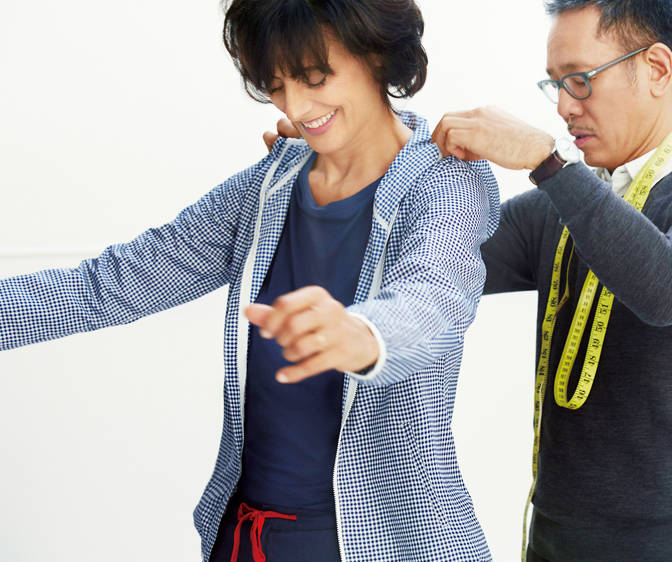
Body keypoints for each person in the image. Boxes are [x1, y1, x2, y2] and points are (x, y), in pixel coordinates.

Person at [0, 0, 501, 561]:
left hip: (384, 541)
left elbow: (432, 302)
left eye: (315, 78)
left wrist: (361, 335)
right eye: (277, 84)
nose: (297, 106)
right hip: (247, 536)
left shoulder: (447, 182)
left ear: (378, 55)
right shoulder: (266, 187)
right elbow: (113, 284)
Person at [430, 1, 672, 561]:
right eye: (554, 85)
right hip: (551, 540)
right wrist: (330, 168)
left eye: (579, 81)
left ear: (655, 68)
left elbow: (669, 289)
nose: (563, 107)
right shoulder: (563, 204)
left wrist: (549, 164)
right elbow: (432, 259)